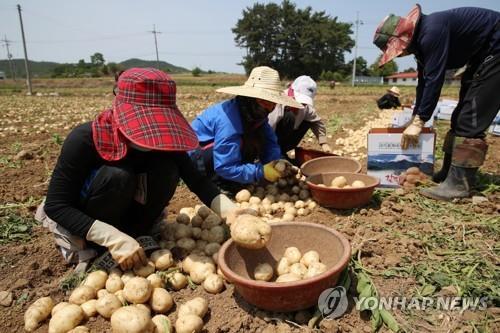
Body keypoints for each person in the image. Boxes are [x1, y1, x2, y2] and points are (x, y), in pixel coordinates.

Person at [35, 68, 239, 271]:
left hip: (131, 214)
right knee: (117, 176)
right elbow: (57, 205)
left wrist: (234, 215)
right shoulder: (84, 139)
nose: (155, 136)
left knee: (166, 168)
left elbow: (198, 182)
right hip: (89, 217)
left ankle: (136, 231)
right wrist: (111, 237)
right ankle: (99, 246)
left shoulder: (165, 142)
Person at [373, 5, 499, 201]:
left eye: (398, 51)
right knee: (460, 116)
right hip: (483, 53)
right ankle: (449, 174)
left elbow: (435, 80)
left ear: (405, 39)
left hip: (496, 48)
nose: (401, 55)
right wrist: (416, 118)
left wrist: (420, 120)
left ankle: (459, 185)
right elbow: (424, 82)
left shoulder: (432, 32)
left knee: (471, 116)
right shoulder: (423, 43)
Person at [190, 66, 302, 190]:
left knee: (257, 136)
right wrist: (260, 172)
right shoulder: (228, 120)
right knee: (238, 146)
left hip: (221, 154)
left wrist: (276, 162)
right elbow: (224, 165)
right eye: (265, 102)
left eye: (273, 103)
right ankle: (217, 181)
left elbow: (270, 143)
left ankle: (235, 175)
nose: (270, 109)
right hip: (197, 158)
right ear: (250, 99)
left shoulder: (254, 114)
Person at [268, 75, 331, 155]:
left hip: (285, 140)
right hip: (269, 139)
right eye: (300, 101)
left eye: (304, 103)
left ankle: (282, 152)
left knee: (309, 121)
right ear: (292, 91)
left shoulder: (306, 107)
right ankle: (273, 153)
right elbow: (268, 127)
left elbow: (317, 122)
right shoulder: (278, 101)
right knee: (289, 116)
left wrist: (323, 143)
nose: (302, 105)